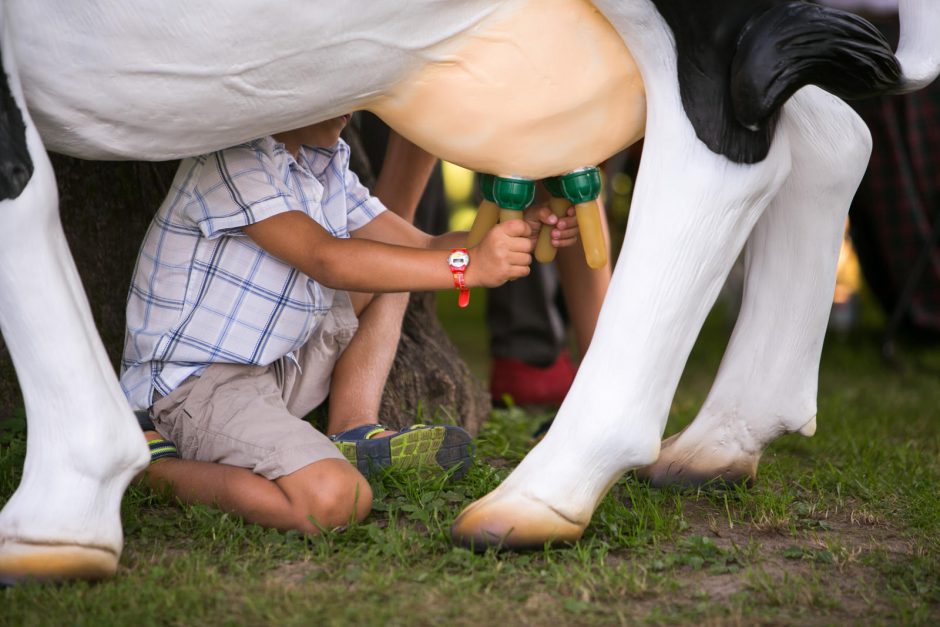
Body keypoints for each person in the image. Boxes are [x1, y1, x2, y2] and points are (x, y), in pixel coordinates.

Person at [120, 114, 580, 534]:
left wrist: (525, 227)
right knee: (334, 500)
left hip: (274, 368)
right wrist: (469, 267)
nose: (350, 106)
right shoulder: (231, 158)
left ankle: (354, 429)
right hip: (193, 388)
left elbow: (424, 246)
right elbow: (326, 259)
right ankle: (152, 468)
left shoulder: (325, 162)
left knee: (394, 271)